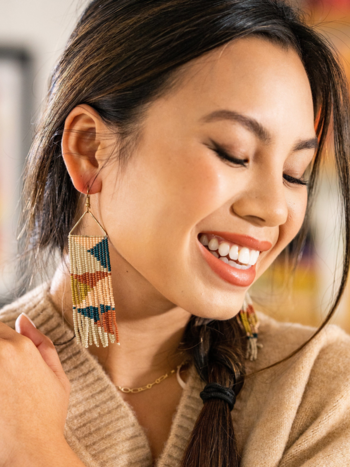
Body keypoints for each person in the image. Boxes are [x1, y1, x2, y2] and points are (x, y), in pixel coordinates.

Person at [1, 0, 350, 466]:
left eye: (294, 173)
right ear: (90, 150)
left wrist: (38, 449)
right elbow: (95, 332)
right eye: (233, 152)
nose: (272, 209)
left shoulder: (320, 391)